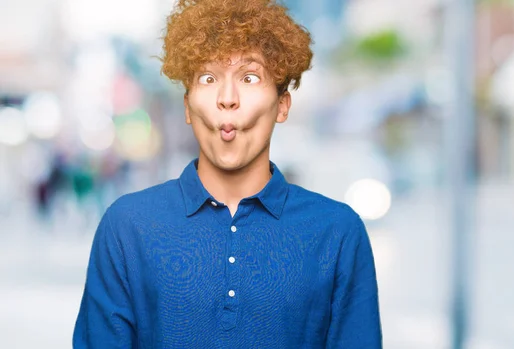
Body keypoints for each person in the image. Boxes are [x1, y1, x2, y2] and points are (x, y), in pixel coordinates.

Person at [73, 0, 382, 347]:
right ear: (188, 105)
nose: (228, 98)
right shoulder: (126, 226)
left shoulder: (338, 232)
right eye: (208, 77)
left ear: (282, 105)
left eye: (250, 77)